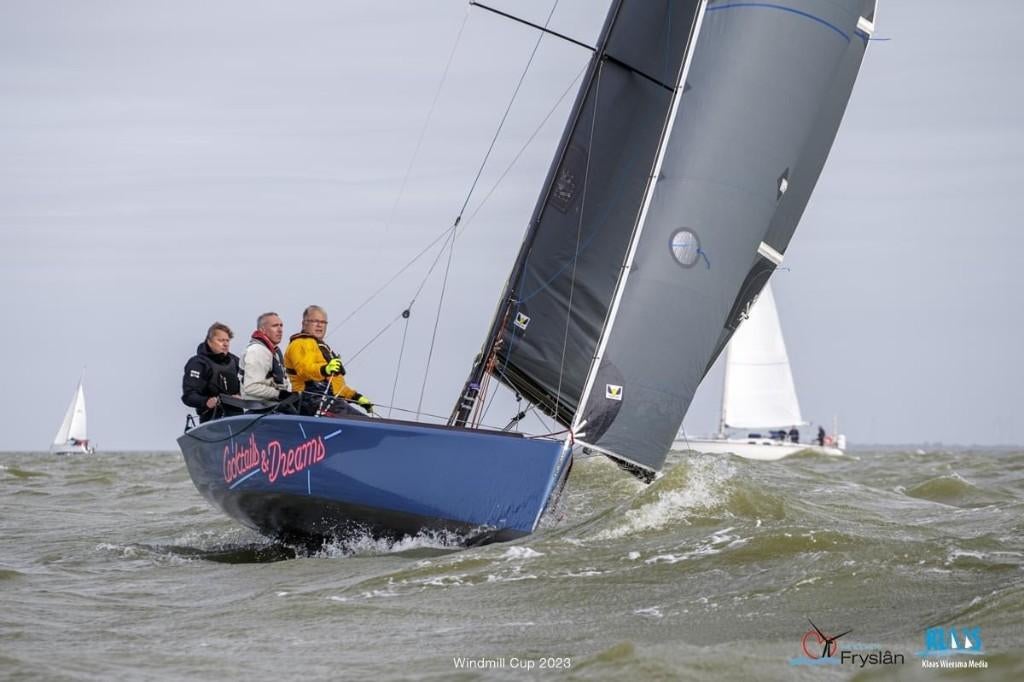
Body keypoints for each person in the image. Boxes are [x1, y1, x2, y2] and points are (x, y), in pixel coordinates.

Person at [284, 305, 374, 417]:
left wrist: (356, 397)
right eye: (315, 321)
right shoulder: (299, 343)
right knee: (361, 423)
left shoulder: (322, 348)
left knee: (364, 421)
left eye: (323, 322)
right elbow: (305, 369)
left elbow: (335, 385)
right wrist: (325, 369)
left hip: (328, 401)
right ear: (304, 323)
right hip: (310, 401)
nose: (319, 325)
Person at [182, 322, 243, 423]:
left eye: (227, 341)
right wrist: (206, 402)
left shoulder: (235, 361)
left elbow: (251, 380)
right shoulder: (198, 363)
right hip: (211, 421)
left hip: (238, 419)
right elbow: (189, 395)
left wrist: (241, 395)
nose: (225, 344)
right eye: (220, 340)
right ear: (209, 342)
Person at [240, 312, 295, 412]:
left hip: (273, 407)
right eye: (274, 326)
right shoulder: (257, 350)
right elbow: (251, 387)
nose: (280, 330)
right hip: (260, 410)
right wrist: (279, 394)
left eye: (281, 325)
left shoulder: (274, 352)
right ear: (262, 330)